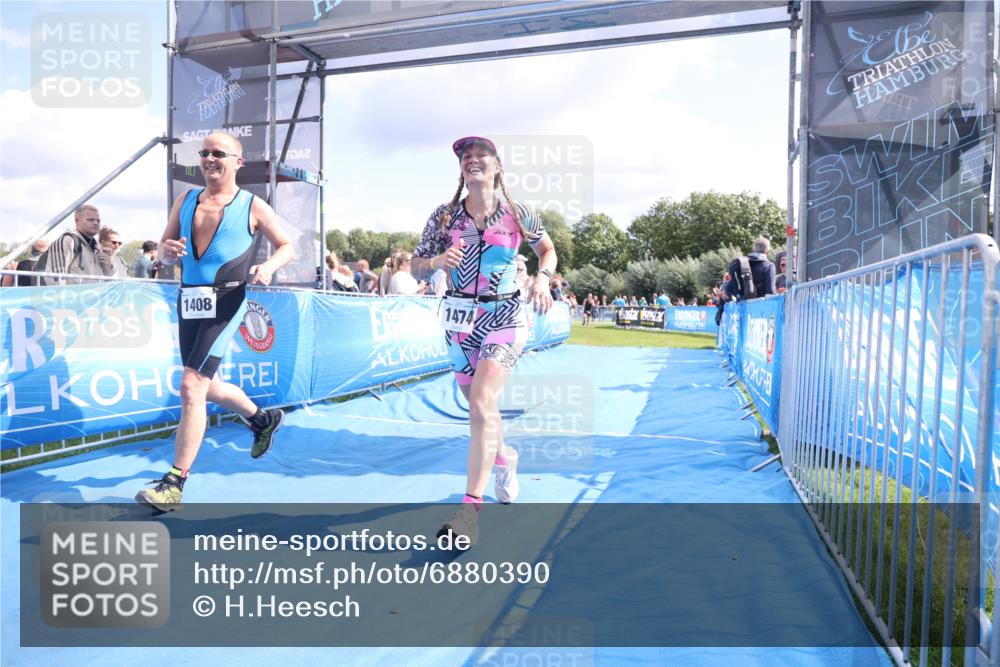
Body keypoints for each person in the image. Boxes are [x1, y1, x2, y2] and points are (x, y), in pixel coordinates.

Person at [135, 132, 294, 511]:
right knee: (209, 386)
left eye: (218, 153)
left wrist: (268, 266)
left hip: (226, 300)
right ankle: (261, 420)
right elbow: (164, 250)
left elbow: (287, 246)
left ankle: (174, 484)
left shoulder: (253, 206)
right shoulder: (186, 199)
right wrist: (167, 252)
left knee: (191, 386)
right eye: (204, 153)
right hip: (188, 301)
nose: (209, 159)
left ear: (238, 162)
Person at [411, 136, 556, 544]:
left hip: (505, 314)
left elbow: (548, 251)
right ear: (461, 170)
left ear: (497, 167)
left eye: (480, 156)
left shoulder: (517, 212)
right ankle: (506, 459)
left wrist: (543, 279)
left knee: (481, 401)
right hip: (459, 321)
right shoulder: (444, 218)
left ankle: (469, 513)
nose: (472, 161)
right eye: (465, 157)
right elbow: (417, 266)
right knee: (478, 408)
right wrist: (437, 262)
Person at [36, 204, 111, 284]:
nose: (96, 223)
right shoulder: (67, 241)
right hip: (72, 295)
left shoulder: (97, 247)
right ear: (77, 220)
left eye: (98, 220)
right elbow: (55, 279)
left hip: (96, 295)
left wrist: (108, 266)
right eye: (90, 220)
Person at [725, 236, 777, 301]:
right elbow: (771, 291)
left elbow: (728, 288)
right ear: (768, 250)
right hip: (761, 307)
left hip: (744, 306)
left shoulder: (743, 265)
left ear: (754, 249)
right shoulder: (769, 266)